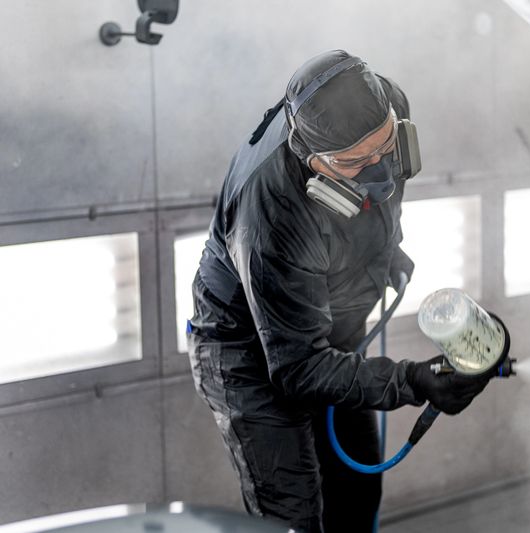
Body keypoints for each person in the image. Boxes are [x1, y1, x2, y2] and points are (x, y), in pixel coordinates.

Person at [187, 49, 491, 533]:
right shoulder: (271, 213)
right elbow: (298, 367)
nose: (378, 170)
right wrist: (412, 381)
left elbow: (383, 193)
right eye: (355, 163)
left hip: (330, 326)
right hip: (248, 355)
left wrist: (386, 249)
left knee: (357, 492)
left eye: (384, 148)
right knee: (294, 516)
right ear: (315, 165)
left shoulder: (388, 105)